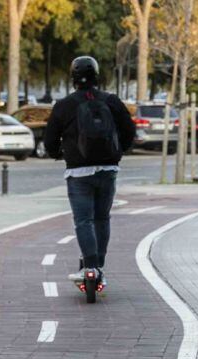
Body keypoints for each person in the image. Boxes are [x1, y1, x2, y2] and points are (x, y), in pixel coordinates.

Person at [43, 56, 136, 287]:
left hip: (78, 172)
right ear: (97, 76)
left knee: (83, 220)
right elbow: (129, 130)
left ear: (72, 78)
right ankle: (100, 266)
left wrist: (58, 153)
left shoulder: (64, 105)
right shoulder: (111, 101)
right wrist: (118, 151)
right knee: (102, 218)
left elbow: (50, 140)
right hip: (108, 169)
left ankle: (90, 267)